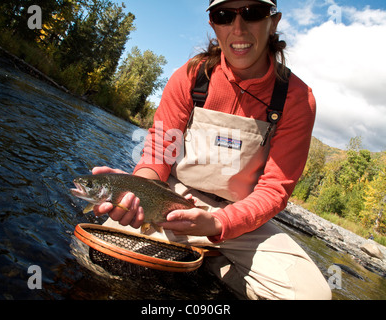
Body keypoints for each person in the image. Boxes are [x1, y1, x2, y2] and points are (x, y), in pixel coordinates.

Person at [92, 0, 332, 300]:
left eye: (252, 13)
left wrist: (219, 223)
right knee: (99, 257)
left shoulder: (296, 99)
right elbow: (157, 154)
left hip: (242, 218)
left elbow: (274, 191)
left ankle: (209, 254)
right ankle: (204, 256)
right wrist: (136, 189)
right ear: (212, 24)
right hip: (169, 198)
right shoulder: (191, 76)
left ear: (273, 21)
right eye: (224, 15)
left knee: (311, 296)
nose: (238, 28)